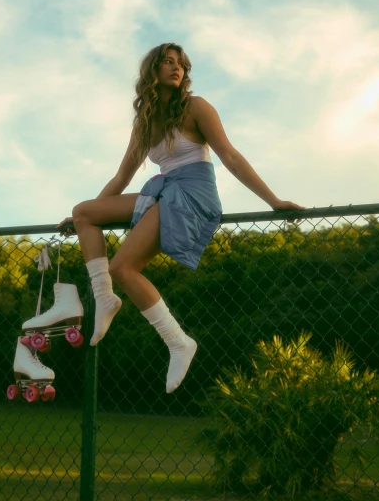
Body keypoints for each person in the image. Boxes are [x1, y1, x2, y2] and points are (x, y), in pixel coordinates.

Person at [56, 43, 304, 393]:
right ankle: (104, 297)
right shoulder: (144, 122)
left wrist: (274, 200)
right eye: (168, 63)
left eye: (181, 65)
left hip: (193, 193)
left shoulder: (196, 107)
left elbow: (230, 157)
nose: (177, 69)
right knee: (84, 212)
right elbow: (120, 178)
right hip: (163, 190)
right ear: (152, 71)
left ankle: (178, 341)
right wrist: (81, 218)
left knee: (123, 268)